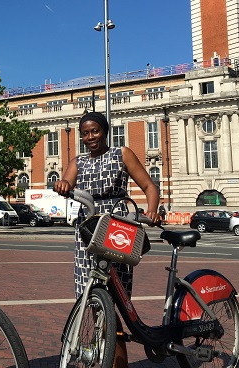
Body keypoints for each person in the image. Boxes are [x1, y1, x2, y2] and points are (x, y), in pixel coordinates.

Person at [54, 112, 160, 368]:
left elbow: (149, 186)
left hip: (117, 224)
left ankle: (116, 358)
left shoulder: (121, 154)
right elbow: (67, 179)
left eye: (95, 131)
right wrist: (63, 184)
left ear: (105, 131)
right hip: (88, 225)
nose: (90, 137)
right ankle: (105, 353)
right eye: (86, 133)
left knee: (117, 299)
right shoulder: (78, 161)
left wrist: (153, 208)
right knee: (90, 295)